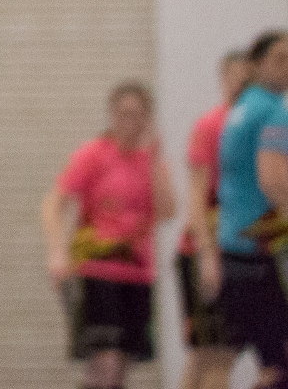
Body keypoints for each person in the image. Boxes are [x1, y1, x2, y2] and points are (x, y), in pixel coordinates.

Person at [42, 82, 178, 389]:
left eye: (136, 115)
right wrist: (57, 252)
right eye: (122, 114)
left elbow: (167, 211)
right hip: (97, 271)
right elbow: (53, 205)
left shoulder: (151, 162)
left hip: (138, 273)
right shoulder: (94, 154)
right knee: (106, 362)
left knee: (121, 368)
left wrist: (155, 161)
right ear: (112, 115)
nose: (129, 122)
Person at [213, 31, 288, 386]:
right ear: (256, 66)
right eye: (280, 59)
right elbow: (273, 178)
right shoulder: (273, 110)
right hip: (262, 253)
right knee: (278, 366)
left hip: (236, 248)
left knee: (268, 363)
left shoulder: (242, 108)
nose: (287, 67)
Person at [180, 50, 250, 389]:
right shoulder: (211, 126)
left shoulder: (262, 125)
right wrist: (208, 255)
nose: (241, 83)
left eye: (247, 77)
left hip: (245, 252)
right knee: (215, 354)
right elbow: (195, 198)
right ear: (223, 80)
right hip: (208, 252)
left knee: (209, 357)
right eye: (234, 76)